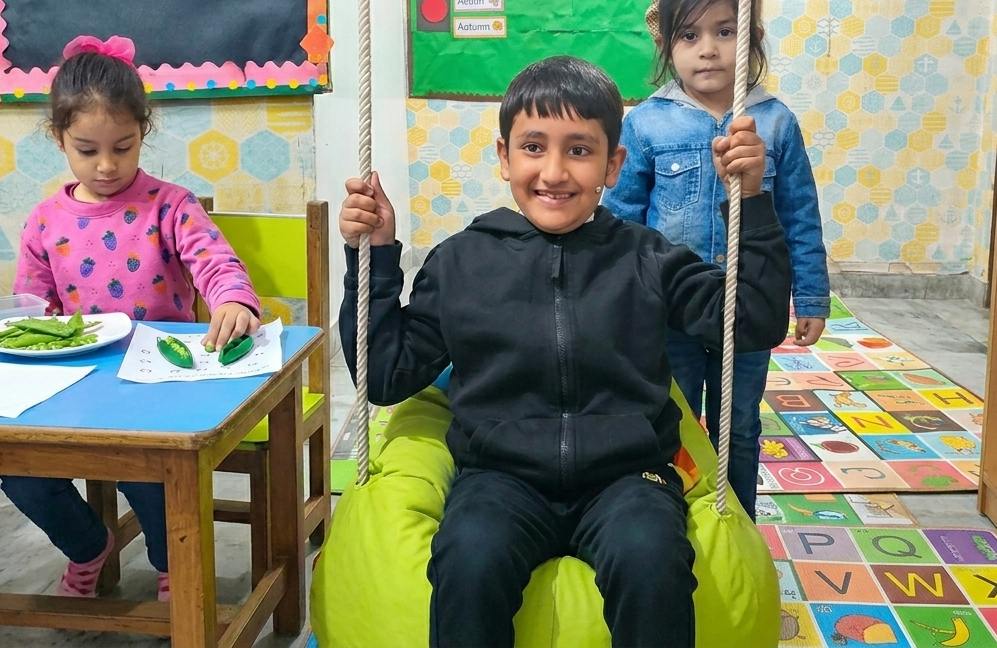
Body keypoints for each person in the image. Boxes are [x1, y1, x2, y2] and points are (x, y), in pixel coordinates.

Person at [337, 55, 791, 648]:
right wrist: (374, 257)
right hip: (499, 477)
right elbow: (386, 375)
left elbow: (752, 322)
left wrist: (752, 203)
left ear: (612, 165)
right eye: (533, 147)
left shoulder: (647, 258)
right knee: (468, 558)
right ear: (504, 157)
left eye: (579, 150)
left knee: (653, 560)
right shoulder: (461, 262)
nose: (553, 172)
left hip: (628, 477)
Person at [7, 35, 262, 601]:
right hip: (76, 384)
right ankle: (87, 545)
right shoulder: (45, 220)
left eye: (123, 147)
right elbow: (34, 308)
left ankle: (175, 565)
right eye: (87, 149)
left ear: (143, 133)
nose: (106, 165)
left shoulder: (171, 205)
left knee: (151, 472)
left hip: (157, 383)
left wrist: (232, 300)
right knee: (19, 469)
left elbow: (215, 262)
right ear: (58, 138)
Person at [605, 0, 829, 521]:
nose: (707, 50)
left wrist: (811, 295)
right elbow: (622, 221)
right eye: (690, 35)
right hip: (671, 310)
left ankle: (739, 527)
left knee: (740, 427)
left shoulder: (774, 123)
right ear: (667, 43)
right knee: (674, 423)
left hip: (749, 308)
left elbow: (800, 216)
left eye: (724, 31)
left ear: (750, 37)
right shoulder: (646, 123)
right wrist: (620, 300)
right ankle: (677, 526)